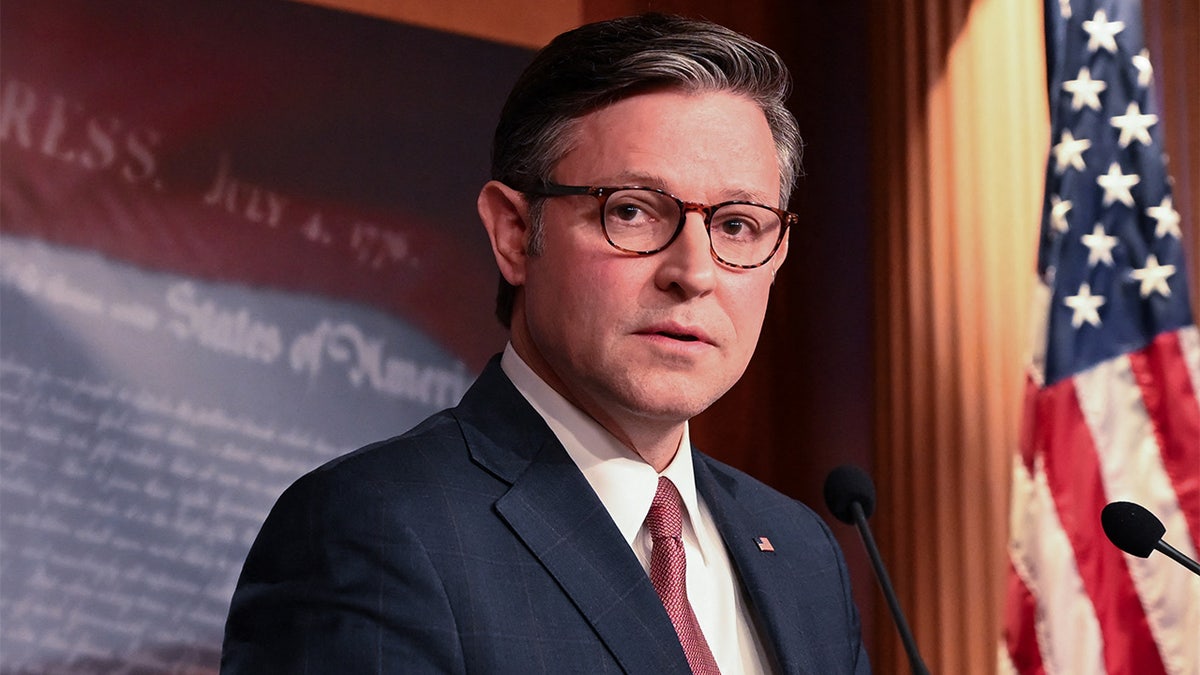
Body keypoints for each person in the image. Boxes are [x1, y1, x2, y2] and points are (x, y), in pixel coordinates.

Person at [221, 13, 869, 674]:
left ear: (778, 251)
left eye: (737, 225)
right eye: (632, 210)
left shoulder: (802, 554)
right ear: (512, 233)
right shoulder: (373, 530)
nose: (694, 273)